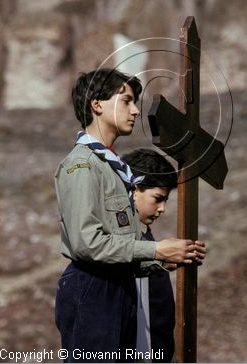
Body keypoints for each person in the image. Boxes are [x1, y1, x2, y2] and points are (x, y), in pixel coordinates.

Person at [54, 68, 206, 363]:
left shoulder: (112, 169)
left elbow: (120, 242)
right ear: (96, 104)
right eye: (126, 101)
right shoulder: (82, 166)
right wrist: (156, 249)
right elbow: (87, 244)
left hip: (119, 285)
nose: (135, 110)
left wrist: (161, 259)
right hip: (93, 289)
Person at [122, 148, 182, 363]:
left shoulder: (145, 236)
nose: (162, 208)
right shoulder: (118, 245)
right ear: (134, 188)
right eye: (157, 198)